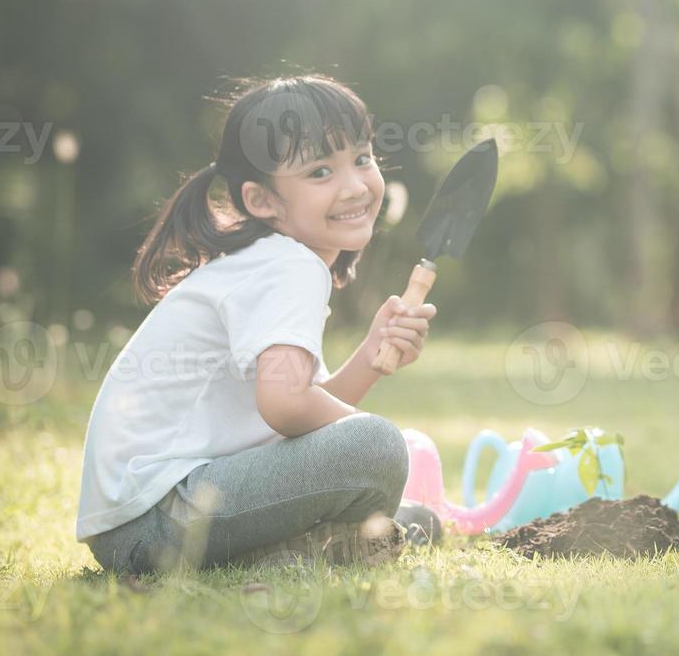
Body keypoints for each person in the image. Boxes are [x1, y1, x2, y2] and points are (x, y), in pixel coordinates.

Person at [76, 73, 436, 574]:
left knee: (391, 481)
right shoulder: (289, 266)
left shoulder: (270, 259)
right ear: (262, 200)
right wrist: (375, 449)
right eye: (319, 172)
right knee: (376, 445)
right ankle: (316, 544)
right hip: (157, 520)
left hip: (141, 524)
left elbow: (295, 412)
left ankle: (326, 538)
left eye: (361, 158)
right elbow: (288, 408)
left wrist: (372, 356)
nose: (355, 185)